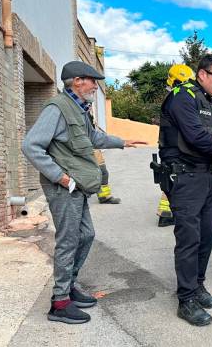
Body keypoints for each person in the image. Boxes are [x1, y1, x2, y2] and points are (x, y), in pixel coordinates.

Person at [21, 60, 145, 325]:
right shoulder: (57, 109)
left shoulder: (79, 109)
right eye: (92, 80)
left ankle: (69, 286)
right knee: (69, 241)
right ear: (77, 81)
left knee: (86, 235)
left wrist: (122, 142)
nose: (95, 85)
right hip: (64, 187)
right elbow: (31, 146)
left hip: (78, 187)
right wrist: (62, 178)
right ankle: (60, 303)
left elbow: (92, 139)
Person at [158, 54, 212, 326]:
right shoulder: (183, 95)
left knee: (207, 236)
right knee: (189, 239)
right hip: (186, 178)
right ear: (202, 74)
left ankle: (198, 285)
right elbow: (193, 135)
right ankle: (186, 299)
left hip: (208, 177)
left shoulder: (209, 103)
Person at [156, 64, 196, 227]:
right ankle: (169, 214)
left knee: (171, 183)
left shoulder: (171, 99)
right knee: (176, 183)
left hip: (168, 150)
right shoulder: (178, 101)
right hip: (176, 152)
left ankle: (166, 213)